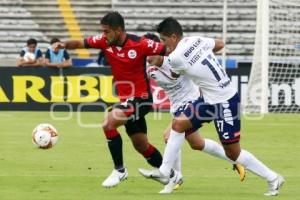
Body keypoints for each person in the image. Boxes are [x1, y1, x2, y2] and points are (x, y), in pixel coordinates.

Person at [139, 17, 284, 196]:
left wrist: (155, 61)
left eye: (163, 40)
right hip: (207, 99)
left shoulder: (175, 57)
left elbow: (174, 73)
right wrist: (202, 55)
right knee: (178, 125)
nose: (162, 45)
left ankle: (273, 178)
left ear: (173, 37)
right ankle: (165, 172)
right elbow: (220, 44)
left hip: (225, 101)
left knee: (233, 153)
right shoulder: (196, 40)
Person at [53, 11, 166, 188]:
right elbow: (80, 42)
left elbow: (167, 49)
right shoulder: (104, 41)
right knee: (141, 145)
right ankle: (170, 173)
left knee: (108, 123)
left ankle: (119, 170)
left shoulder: (140, 43)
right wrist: (62, 44)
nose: (103, 35)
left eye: (107, 31)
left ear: (119, 30)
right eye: (103, 32)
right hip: (127, 99)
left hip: (141, 98)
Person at [144, 33, 245, 194]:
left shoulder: (175, 59)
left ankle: (175, 178)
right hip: (176, 106)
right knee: (197, 144)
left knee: (169, 136)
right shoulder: (149, 67)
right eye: (145, 51)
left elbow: (183, 69)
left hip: (192, 102)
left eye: (150, 50)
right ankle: (235, 159)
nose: (147, 55)